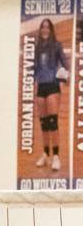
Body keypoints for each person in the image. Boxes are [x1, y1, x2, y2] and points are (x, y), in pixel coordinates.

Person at [34, 18, 69, 172]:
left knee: (53, 122)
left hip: (53, 87)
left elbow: (65, 65)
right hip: (41, 87)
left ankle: (56, 157)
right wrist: (34, 80)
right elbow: (35, 68)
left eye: (47, 27)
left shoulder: (57, 45)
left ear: (51, 30)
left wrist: (62, 79)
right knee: (44, 124)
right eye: (43, 27)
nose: (45, 29)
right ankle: (45, 154)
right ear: (40, 30)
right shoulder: (37, 47)